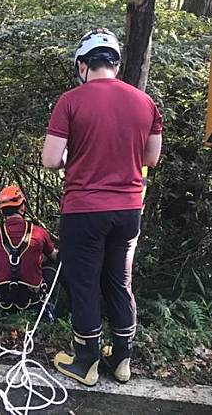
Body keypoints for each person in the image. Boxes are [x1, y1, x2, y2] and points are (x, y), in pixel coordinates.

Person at [42, 28, 163, 386]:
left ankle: (87, 363)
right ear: (116, 64)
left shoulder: (71, 101)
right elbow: (151, 158)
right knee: (119, 282)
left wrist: (73, 156)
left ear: (83, 64)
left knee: (84, 284)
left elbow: (50, 159)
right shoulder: (145, 102)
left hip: (84, 210)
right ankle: (123, 359)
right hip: (128, 210)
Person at [0, 185, 58, 316]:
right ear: (22, 207)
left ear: (2, 210)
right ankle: (50, 310)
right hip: (32, 299)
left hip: (2, 298)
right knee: (51, 267)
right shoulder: (39, 232)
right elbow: (54, 256)